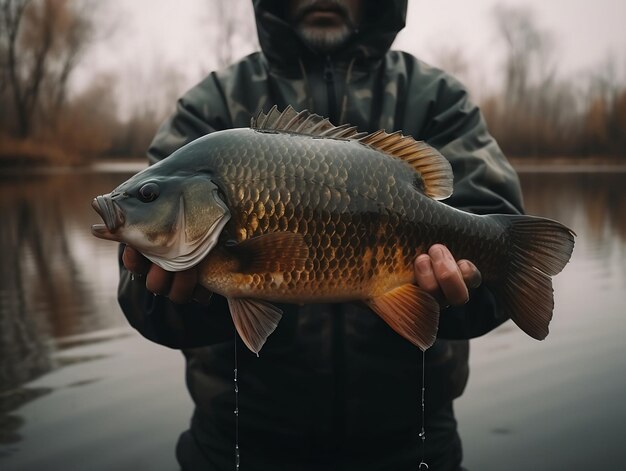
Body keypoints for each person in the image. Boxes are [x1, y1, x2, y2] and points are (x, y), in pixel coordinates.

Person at [118, 1, 524, 469]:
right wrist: (193, 297)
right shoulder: (212, 105)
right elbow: (138, 297)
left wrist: (458, 294)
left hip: (412, 446)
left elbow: (496, 253)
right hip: (239, 448)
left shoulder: (436, 98)